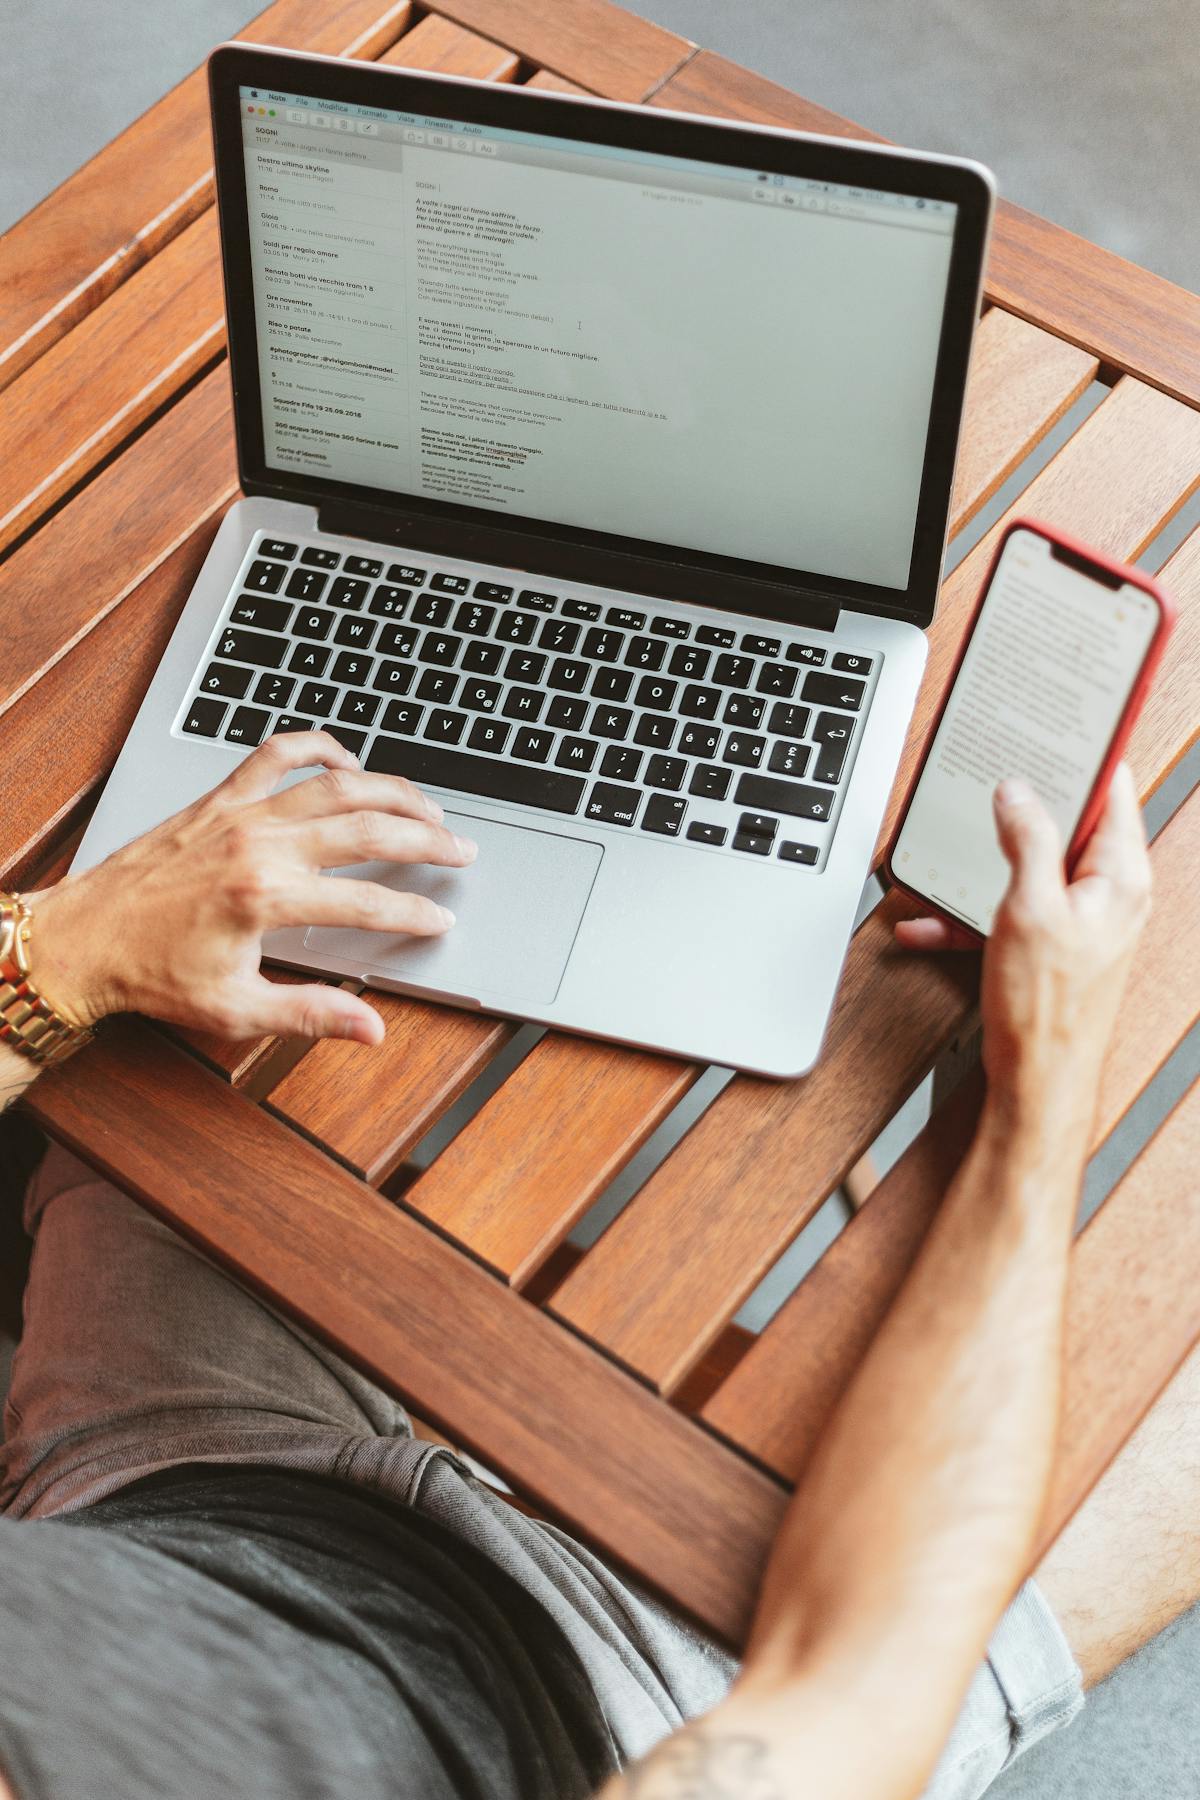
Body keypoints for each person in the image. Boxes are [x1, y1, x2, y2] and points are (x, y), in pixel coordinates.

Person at [0, 732, 1192, 1800]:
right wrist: (1036, 1099)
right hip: (599, 1702)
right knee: (1151, 1414)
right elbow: (860, 1689)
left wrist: (62, 954)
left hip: (152, 1491)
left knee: (254, 988)